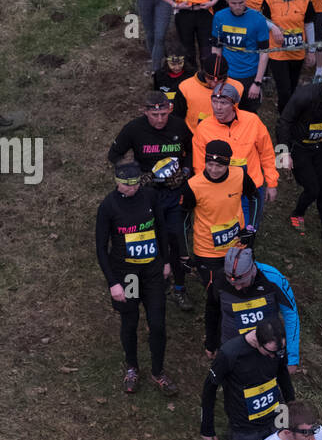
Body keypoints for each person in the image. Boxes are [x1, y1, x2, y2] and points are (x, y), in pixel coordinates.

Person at [96, 161, 177, 396]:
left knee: (158, 323)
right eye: (125, 185)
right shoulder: (108, 206)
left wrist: (166, 261)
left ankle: (158, 372)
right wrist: (113, 283)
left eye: (134, 184)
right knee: (130, 321)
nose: (130, 189)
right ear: (117, 182)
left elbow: (161, 229)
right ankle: (132, 367)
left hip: (152, 272)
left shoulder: (150, 196)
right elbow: (101, 247)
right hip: (128, 275)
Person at [107, 92, 193, 312]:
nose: (160, 119)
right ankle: (155, 281)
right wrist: (136, 174)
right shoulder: (134, 128)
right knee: (150, 238)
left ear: (169, 111)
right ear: (145, 112)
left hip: (174, 193)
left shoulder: (178, 126)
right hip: (147, 195)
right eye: (154, 114)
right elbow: (114, 155)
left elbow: (192, 151)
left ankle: (180, 288)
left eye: (163, 113)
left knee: (176, 239)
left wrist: (184, 172)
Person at [274, 73, 322, 249]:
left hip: (318, 147)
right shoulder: (305, 96)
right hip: (298, 148)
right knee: (312, 189)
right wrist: (283, 154)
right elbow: (283, 122)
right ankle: (297, 214)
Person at [192, 82, 278, 224]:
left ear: (234, 104)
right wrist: (207, 191)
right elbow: (200, 164)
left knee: (250, 229)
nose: (217, 107)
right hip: (221, 190)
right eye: (214, 101)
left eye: (223, 102)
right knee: (225, 229)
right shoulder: (203, 128)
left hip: (251, 186)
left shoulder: (252, 121)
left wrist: (272, 183)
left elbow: (267, 153)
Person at [179, 138, 258, 286]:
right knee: (216, 293)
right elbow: (183, 221)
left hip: (237, 245)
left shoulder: (239, 175)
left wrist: (251, 228)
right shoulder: (192, 186)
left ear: (228, 164)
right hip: (208, 251)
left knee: (241, 288)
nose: (213, 170)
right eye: (210, 164)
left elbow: (254, 197)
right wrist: (184, 252)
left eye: (219, 166)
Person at [205, 245, 299, 366]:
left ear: (252, 271)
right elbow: (212, 311)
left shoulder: (273, 278)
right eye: (232, 283)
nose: (237, 288)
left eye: (242, 283)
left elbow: (291, 313)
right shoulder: (219, 279)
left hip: (267, 350)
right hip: (232, 350)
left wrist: (292, 358)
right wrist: (211, 344)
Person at [260, 0, 319, 110]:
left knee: (292, 88)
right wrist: (273, 27)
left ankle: (290, 118)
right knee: (284, 91)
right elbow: (262, 18)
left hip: (297, 52)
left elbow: (309, 25)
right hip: (278, 52)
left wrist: (311, 51)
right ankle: (284, 121)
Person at [210, 0, 273, 110]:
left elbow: (264, 52)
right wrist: (216, 74)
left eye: (241, 3)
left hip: (250, 75)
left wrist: (257, 82)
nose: (238, 7)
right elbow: (216, 48)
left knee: (249, 114)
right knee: (228, 111)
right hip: (227, 75)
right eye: (233, 3)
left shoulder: (258, 19)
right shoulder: (219, 17)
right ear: (227, 0)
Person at [175, 53, 242, 132]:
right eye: (210, 78)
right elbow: (177, 118)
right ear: (203, 73)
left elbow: (244, 118)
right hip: (194, 136)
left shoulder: (238, 88)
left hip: (227, 135)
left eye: (220, 79)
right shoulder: (185, 87)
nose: (214, 83)